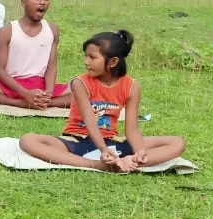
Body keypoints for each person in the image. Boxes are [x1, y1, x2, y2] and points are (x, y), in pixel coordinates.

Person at [19, 30, 185, 171]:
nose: (86, 62)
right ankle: (98, 165)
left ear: (113, 62)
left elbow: (132, 128)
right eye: (86, 56)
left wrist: (140, 150)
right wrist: (103, 150)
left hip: (114, 143)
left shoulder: (132, 86)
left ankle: (132, 162)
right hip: (78, 141)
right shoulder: (80, 83)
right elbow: (90, 120)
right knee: (28, 140)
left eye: (92, 57)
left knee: (177, 143)